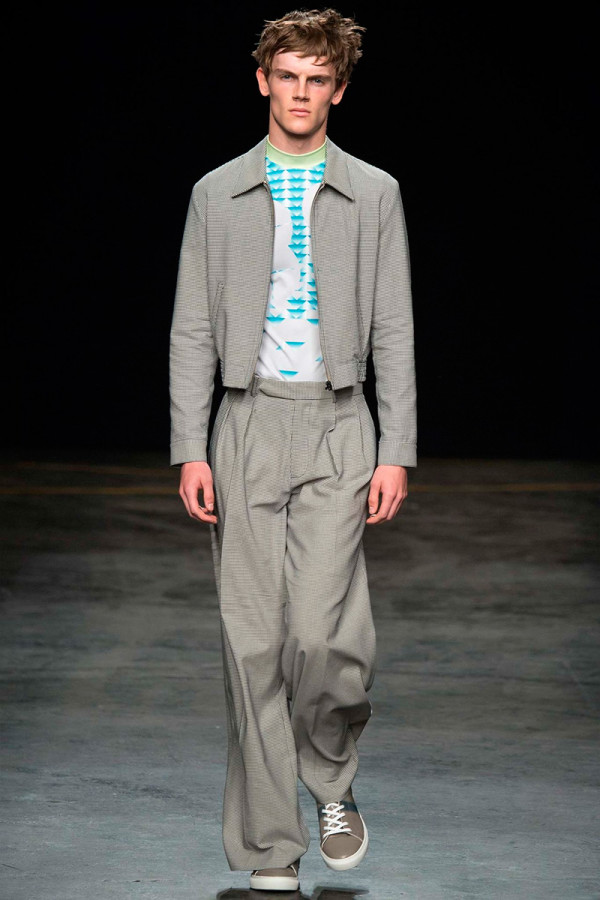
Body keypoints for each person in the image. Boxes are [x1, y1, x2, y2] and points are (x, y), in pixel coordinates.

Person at [169, 7, 416, 892]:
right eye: (288, 76)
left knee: (321, 635)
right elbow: (192, 327)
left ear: (338, 90)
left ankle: (332, 781)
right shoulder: (217, 193)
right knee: (252, 644)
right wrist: (189, 446)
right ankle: (271, 844)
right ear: (262, 80)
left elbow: (394, 327)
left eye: (318, 79)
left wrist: (396, 448)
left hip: (341, 424)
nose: (301, 92)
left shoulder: (374, 192)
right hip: (245, 424)